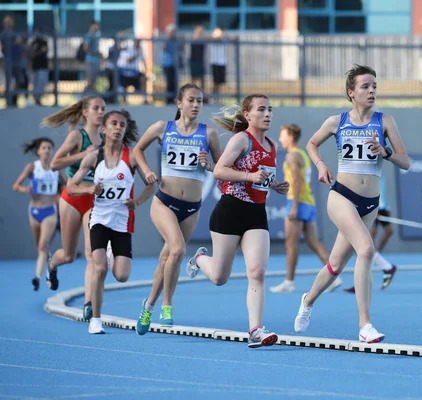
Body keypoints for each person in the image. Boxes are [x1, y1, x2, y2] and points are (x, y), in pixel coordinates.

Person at [293, 64, 410, 343]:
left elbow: (405, 162)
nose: (371, 91)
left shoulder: (385, 121)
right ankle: (365, 325)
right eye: (365, 87)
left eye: (374, 86)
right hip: (342, 195)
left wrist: (386, 151)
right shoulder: (337, 122)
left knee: (335, 265)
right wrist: (320, 165)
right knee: (367, 250)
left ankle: (307, 300)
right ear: (351, 92)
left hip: (370, 204)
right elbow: (311, 144)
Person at [185, 94, 290, 348]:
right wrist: (249, 176)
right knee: (220, 278)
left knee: (257, 271)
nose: (267, 114)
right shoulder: (242, 139)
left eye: (270, 109)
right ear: (247, 115)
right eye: (261, 109)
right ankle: (199, 258)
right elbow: (219, 170)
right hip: (230, 210)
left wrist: (275, 185)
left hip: (256, 213)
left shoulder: (273, 146)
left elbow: (262, 178)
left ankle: (255, 329)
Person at [134, 83, 222, 335]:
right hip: (164, 202)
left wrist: (209, 165)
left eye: (200, 101)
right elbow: (137, 149)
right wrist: (147, 171)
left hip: (191, 208)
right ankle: (167, 306)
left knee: (167, 258)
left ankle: (148, 305)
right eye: (191, 100)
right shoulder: (163, 128)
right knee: (178, 250)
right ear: (179, 102)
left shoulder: (209, 134)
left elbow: (222, 169)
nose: (196, 105)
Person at [67, 110, 155, 334]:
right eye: (113, 124)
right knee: (99, 269)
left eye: (122, 125)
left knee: (122, 275)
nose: (117, 128)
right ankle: (96, 320)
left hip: (122, 222)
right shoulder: (93, 157)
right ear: (104, 129)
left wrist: (138, 201)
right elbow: (71, 187)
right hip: (99, 219)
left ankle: (110, 253)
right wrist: (89, 188)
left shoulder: (132, 156)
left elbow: (150, 184)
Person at [42, 96, 105, 323]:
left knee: (91, 254)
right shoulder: (78, 136)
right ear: (86, 113)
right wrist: (83, 155)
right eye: (96, 108)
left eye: (103, 109)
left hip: (92, 199)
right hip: (71, 198)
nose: (100, 112)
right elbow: (54, 163)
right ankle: (52, 264)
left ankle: (89, 303)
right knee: (68, 255)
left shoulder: (107, 137)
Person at [270, 124, 342, 294]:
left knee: (290, 244)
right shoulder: (302, 154)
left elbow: (296, 182)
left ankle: (289, 282)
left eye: (283, 135)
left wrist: (294, 207)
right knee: (313, 242)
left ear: (290, 137)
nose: (280, 139)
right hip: (308, 201)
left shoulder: (292, 156)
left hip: (298, 202)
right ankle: (334, 277)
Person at [12, 137, 66, 291]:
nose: (47, 150)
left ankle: (37, 277)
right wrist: (25, 189)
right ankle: (47, 265)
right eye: (44, 148)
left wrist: (60, 194)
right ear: (38, 151)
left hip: (50, 211)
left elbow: (66, 185)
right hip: (34, 211)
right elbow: (16, 185)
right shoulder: (32, 167)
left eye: (50, 147)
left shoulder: (56, 168)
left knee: (43, 245)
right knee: (40, 248)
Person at [343, 175, 397, 293]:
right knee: (366, 245)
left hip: (374, 206)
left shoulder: (372, 167)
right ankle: (384, 266)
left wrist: (378, 207)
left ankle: (384, 266)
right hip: (374, 205)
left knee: (365, 245)